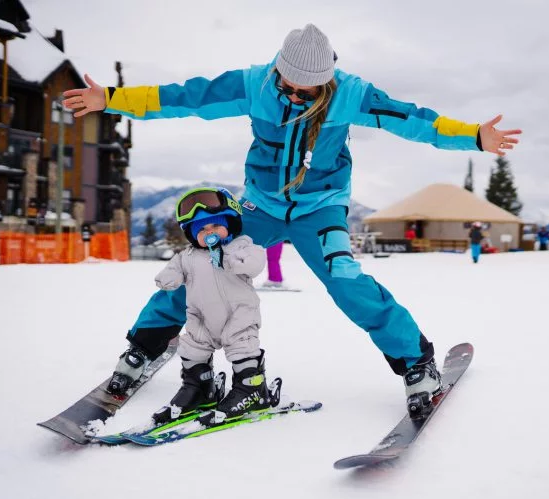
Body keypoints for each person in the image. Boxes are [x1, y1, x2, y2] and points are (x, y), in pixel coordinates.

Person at [63, 23, 522, 418]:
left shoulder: (352, 95)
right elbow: (184, 97)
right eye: (290, 86)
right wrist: (112, 99)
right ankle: (142, 349)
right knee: (203, 266)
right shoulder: (254, 84)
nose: (298, 95)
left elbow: (415, 120)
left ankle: (416, 363)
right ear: (278, 70)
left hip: (320, 207)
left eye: (309, 91)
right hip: (260, 206)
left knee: (347, 279)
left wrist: (473, 136)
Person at [148, 186, 269, 423]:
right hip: (201, 318)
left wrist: (230, 259)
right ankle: (199, 389)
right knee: (193, 349)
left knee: (243, 348)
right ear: (192, 235)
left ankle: (252, 389)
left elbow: (254, 264)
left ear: (230, 223)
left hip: (238, 315)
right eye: (201, 229)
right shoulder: (187, 256)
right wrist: (168, 277)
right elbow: (172, 270)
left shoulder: (242, 247)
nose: (209, 232)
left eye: (215, 225)